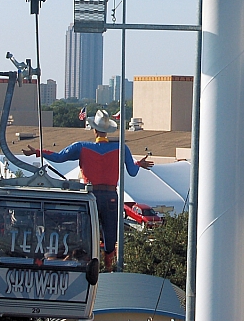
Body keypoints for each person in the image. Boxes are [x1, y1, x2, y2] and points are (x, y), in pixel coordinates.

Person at [24, 109, 152, 271]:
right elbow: (132, 172)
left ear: (94, 130)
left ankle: (85, 262)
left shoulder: (82, 147)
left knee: (85, 230)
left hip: (90, 195)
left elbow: (59, 157)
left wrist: (37, 152)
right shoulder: (121, 148)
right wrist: (139, 164)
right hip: (111, 195)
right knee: (110, 231)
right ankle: (109, 265)